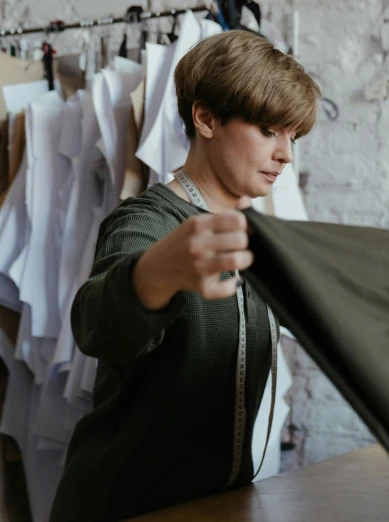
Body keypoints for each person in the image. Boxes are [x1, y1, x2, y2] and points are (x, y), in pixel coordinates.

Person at [50, 30, 321, 521]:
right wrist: (152, 274)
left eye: (292, 136)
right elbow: (97, 325)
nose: (285, 154)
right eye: (267, 130)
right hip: (122, 508)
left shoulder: (255, 236)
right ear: (206, 117)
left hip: (217, 508)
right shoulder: (146, 223)